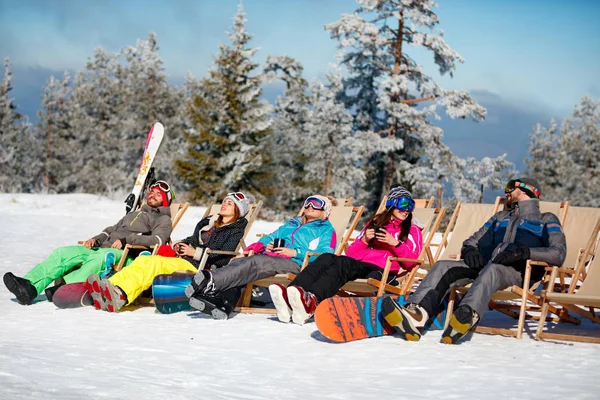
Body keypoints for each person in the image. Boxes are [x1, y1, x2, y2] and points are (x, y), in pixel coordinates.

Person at [381, 177, 566, 344]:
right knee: (443, 265)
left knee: (493, 270)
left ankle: (465, 316)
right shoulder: (499, 217)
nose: (506, 192)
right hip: (485, 265)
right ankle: (417, 314)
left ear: (528, 190)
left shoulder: (546, 220)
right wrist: (469, 250)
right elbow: (472, 240)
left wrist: (523, 252)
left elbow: (558, 253)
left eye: (511, 187)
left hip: (517, 271)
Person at [3, 181, 175, 306]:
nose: (152, 195)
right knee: (63, 252)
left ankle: (65, 288)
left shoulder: (163, 219)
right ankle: (30, 286)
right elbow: (110, 229)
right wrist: (96, 239)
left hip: (126, 254)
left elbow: (157, 241)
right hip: (104, 247)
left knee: (100, 258)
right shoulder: (133, 214)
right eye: (151, 192)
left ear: (166, 201)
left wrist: (127, 240)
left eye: (158, 194)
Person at [269, 186, 424, 325]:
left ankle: (312, 300)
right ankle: (290, 295)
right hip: (359, 265)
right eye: (403, 204)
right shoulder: (376, 222)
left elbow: (412, 262)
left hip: (382, 271)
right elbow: (351, 253)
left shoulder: (412, 230)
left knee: (342, 263)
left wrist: (395, 243)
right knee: (326, 258)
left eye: (410, 206)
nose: (406, 210)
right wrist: (364, 240)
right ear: (392, 204)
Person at [85, 192, 250, 312]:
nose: (224, 204)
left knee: (154, 263)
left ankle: (120, 294)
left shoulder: (235, 229)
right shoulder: (210, 223)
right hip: (186, 260)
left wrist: (195, 253)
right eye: (224, 201)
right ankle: (111, 287)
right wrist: (183, 244)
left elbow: (223, 255)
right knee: (145, 260)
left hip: (201, 268)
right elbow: (193, 239)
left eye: (229, 203)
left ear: (238, 210)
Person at [185, 195, 337, 320]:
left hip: (298, 263)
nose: (310, 206)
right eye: (308, 202)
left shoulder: (327, 230)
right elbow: (272, 236)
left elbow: (326, 255)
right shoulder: (293, 222)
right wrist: (264, 245)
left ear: (325, 210)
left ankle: (211, 281)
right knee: (240, 262)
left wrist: (295, 252)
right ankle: (224, 303)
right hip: (273, 257)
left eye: (316, 204)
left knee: (256, 263)